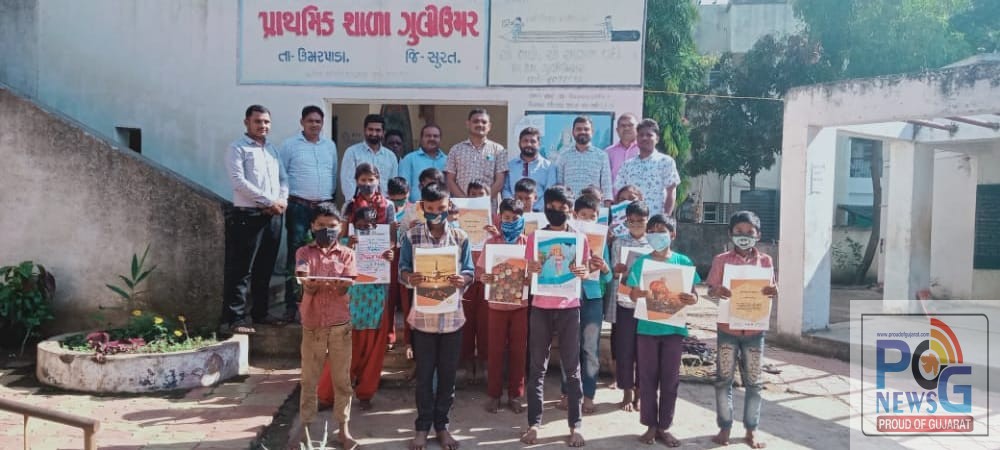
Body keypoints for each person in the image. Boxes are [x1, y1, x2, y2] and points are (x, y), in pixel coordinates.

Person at [399, 182, 475, 450]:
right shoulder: (411, 237)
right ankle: (422, 427)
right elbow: (402, 269)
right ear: (422, 208)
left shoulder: (461, 237)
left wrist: (462, 279)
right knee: (424, 376)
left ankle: (442, 426)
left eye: (441, 208)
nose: (436, 213)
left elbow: (470, 271)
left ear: (448, 207)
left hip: (452, 319)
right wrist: (410, 277)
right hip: (423, 319)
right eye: (430, 208)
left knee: (447, 376)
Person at [521, 185, 590, 448]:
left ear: (570, 210)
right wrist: (531, 269)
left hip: (569, 308)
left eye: (562, 207)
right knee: (537, 367)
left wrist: (583, 272)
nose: (556, 211)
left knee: (572, 369)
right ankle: (533, 424)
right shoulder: (535, 238)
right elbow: (526, 277)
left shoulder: (580, 239)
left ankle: (576, 425)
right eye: (551, 206)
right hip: (540, 306)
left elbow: (585, 271)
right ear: (545, 207)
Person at [626, 214, 700, 447]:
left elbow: (694, 294)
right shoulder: (641, 263)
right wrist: (637, 293)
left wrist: (692, 299)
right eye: (652, 230)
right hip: (647, 329)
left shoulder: (683, 262)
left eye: (661, 230)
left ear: (673, 234)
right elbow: (631, 293)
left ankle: (664, 427)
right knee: (647, 378)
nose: (656, 234)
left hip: (674, 329)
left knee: (670, 380)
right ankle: (650, 425)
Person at [708, 211, 777, 449]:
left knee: (754, 382)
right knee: (723, 380)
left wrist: (773, 291)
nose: (744, 236)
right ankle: (725, 426)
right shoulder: (721, 260)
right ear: (730, 233)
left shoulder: (766, 261)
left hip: (754, 331)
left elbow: (770, 289)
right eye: (739, 231)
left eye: (749, 232)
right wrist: (717, 291)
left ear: (758, 235)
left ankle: (751, 429)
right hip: (727, 328)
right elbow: (711, 290)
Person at [294, 203, 357, 449]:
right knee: (309, 380)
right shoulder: (304, 252)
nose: (326, 230)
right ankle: (305, 429)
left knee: (342, 380)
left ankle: (344, 430)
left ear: (340, 227)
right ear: (312, 226)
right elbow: (303, 276)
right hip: (312, 326)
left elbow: (347, 285)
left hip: (340, 325)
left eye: (331, 226)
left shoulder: (347, 254)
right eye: (321, 225)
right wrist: (309, 285)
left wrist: (341, 286)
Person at [222, 104, 288, 334]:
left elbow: (283, 178)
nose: (263, 126)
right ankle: (235, 318)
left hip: (274, 216)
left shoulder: (272, 150)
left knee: (265, 266)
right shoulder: (237, 148)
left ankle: (261, 313)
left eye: (266, 122)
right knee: (242, 269)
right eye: (258, 121)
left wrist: (282, 200)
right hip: (248, 215)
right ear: (247, 122)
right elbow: (239, 181)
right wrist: (269, 201)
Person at [339, 164, 397, 411]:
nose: (367, 184)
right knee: (351, 336)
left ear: (378, 179)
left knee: (375, 336)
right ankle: (340, 388)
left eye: (371, 179)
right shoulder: (349, 206)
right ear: (356, 181)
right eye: (362, 179)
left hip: (378, 276)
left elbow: (391, 238)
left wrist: (389, 252)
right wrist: (348, 242)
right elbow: (340, 238)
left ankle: (366, 390)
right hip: (355, 281)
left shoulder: (388, 206)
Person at [278, 105, 338, 325]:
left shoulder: (329, 146)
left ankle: (320, 304)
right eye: (310, 121)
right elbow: (282, 175)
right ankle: (291, 306)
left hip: (323, 207)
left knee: (325, 256)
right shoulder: (290, 145)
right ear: (302, 122)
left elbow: (333, 174)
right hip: (299, 207)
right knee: (297, 256)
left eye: (318, 121)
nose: (314, 125)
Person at [558, 194, 611, 415]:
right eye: (583, 215)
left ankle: (588, 395)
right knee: (569, 347)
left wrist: (604, 267)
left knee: (590, 348)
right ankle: (567, 392)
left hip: (592, 299)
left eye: (592, 216)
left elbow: (608, 277)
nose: (588, 220)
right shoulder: (565, 238)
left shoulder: (601, 240)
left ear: (598, 218)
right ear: (574, 215)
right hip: (569, 298)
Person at [478, 198, 529, 414]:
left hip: (520, 305)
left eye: (515, 218)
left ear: (522, 219)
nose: (510, 222)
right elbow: (481, 272)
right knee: (495, 349)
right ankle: (494, 394)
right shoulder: (491, 243)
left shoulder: (527, 243)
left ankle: (516, 395)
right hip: (496, 305)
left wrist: (529, 278)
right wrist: (485, 278)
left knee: (519, 350)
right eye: (506, 218)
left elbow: (534, 273)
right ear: (499, 218)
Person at [607, 200, 651, 412]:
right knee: (625, 349)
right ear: (626, 221)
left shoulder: (654, 243)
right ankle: (626, 391)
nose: (635, 225)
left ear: (647, 220)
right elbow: (612, 273)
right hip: (624, 302)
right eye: (631, 221)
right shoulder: (619, 242)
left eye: (640, 221)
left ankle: (640, 393)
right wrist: (617, 270)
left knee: (644, 351)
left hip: (647, 304)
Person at [459, 180, 491, 385]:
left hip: (487, 279)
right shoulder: (459, 219)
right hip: (466, 278)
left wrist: (496, 234)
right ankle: (466, 362)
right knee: (466, 323)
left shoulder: (496, 220)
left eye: (481, 194)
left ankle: (485, 362)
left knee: (486, 325)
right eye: (473, 194)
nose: (477, 197)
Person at [614, 119, 681, 217]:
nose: (644, 138)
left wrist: (665, 218)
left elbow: (671, 192)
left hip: (655, 220)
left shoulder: (666, 162)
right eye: (641, 135)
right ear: (637, 138)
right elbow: (619, 195)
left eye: (649, 135)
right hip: (632, 221)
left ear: (657, 139)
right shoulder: (627, 165)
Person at [445, 109, 508, 202]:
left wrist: (483, 201)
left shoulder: (498, 150)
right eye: (476, 121)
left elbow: (500, 181)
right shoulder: (456, 150)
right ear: (468, 124)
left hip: (488, 205)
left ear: (489, 126)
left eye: (484, 122)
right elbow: (450, 180)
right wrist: (466, 202)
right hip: (461, 206)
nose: (480, 124)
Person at [555, 116, 613, 205]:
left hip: (594, 207)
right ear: (573, 132)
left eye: (586, 129)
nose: (582, 132)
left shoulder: (602, 156)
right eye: (579, 129)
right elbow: (559, 184)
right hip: (570, 206)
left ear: (592, 132)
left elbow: (606, 185)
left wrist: (607, 208)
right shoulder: (563, 156)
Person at [340, 114, 398, 197]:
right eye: (370, 129)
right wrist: (355, 202)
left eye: (378, 130)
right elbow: (347, 182)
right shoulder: (352, 152)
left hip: (384, 202)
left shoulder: (391, 156)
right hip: (358, 202)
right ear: (364, 130)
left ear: (383, 132)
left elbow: (393, 184)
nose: (374, 133)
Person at [502, 127, 555, 212]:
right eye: (525, 141)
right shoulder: (510, 166)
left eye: (533, 141)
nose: (529, 144)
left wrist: (534, 210)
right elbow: (506, 189)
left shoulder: (549, 167)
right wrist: (513, 207)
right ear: (519, 143)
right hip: (514, 213)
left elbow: (550, 192)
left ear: (539, 144)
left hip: (540, 214)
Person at [386, 177, 412, 351]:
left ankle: (409, 339)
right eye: (394, 199)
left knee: (407, 300)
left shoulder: (414, 210)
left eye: (402, 199)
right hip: (390, 256)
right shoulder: (384, 209)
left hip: (407, 256)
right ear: (388, 195)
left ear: (408, 194)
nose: (398, 203)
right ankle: (389, 336)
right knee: (389, 298)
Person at [399, 125, 448, 203]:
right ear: (421, 139)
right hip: (415, 207)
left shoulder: (447, 160)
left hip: (441, 206)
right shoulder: (409, 159)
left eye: (435, 136)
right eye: (428, 136)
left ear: (440, 139)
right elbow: (402, 186)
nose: (432, 138)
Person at [606, 113, 640, 186]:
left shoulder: (643, 150)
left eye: (630, 125)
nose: (626, 128)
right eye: (623, 126)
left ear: (637, 128)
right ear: (617, 130)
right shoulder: (608, 152)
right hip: (615, 193)